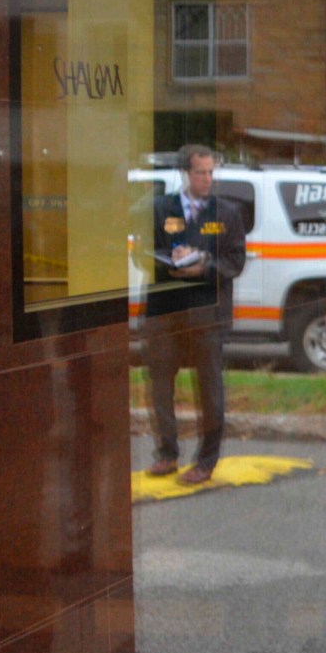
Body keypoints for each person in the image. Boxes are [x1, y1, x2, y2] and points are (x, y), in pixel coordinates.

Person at [143, 145, 247, 484]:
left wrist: (203, 265)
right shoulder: (159, 209)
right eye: (200, 172)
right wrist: (171, 259)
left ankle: (206, 461)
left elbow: (235, 262)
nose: (206, 179)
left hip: (207, 313)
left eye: (210, 173)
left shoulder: (227, 213)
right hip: (165, 311)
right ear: (185, 174)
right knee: (159, 384)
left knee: (210, 388)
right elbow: (142, 255)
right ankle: (167, 454)